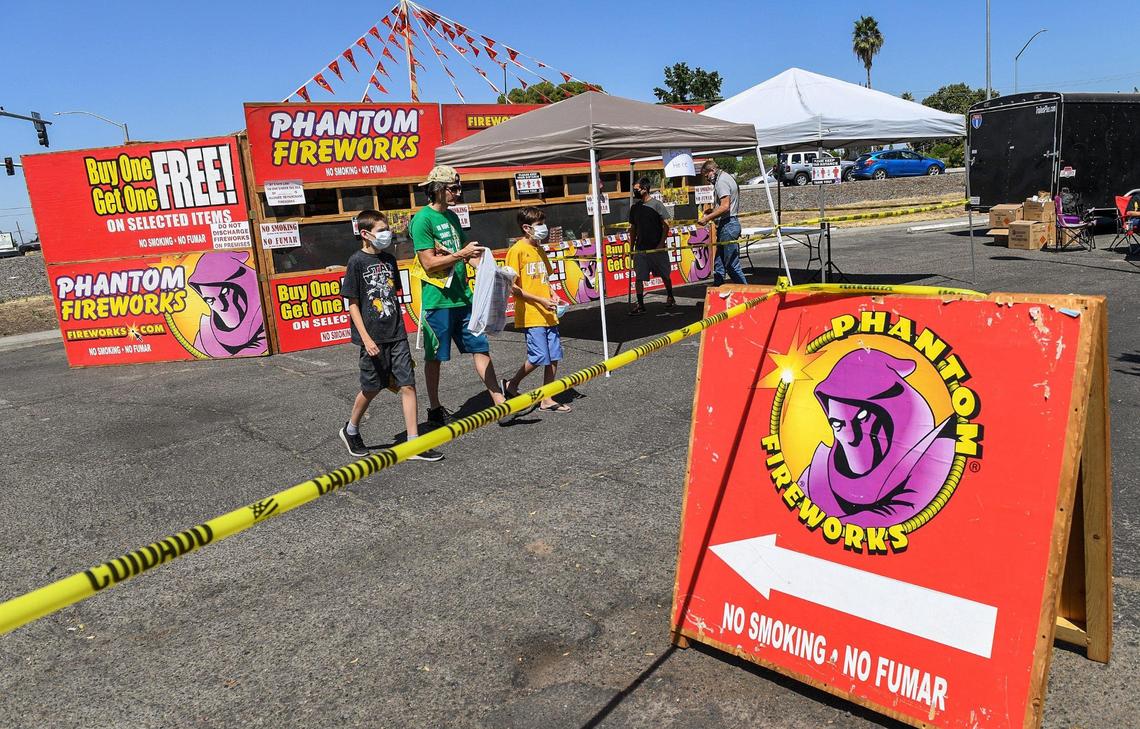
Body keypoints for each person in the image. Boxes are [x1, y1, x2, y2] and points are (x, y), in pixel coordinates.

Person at [340, 210, 443, 461]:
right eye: (381, 230)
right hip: (373, 338)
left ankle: (412, 443)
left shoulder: (389, 259)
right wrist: (366, 338)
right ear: (365, 234)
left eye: (387, 229)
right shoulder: (356, 262)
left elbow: (391, 293)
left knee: (408, 384)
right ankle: (350, 429)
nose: (387, 234)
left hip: (396, 334)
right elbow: (353, 303)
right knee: (372, 387)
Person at [409, 165, 507, 427]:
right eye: (454, 189)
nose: (458, 193)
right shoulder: (422, 220)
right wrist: (461, 255)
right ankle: (435, 407)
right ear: (438, 190)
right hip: (437, 300)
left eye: (458, 187)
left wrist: (494, 272)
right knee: (435, 358)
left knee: (480, 347)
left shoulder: (452, 217)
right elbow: (429, 263)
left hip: (463, 296)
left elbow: (468, 255)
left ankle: (499, 402)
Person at [502, 207, 571, 413]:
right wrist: (540, 300)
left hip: (548, 311)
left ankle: (547, 398)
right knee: (540, 356)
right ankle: (511, 384)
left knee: (554, 354)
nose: (544, 228)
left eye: (543, 223)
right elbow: (513, 287)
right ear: (526, 228)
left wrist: (553, 294)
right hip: (531, 313)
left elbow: (545, 278)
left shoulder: (539, 248)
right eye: (539, 224)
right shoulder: (516, 251)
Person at [627, 177, 676, 315]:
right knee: (639, 277)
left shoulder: (657, 205)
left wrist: (661, 243)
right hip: (641, 249)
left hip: (656, 248)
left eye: (636, 189)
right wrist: (631, 248)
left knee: (665, 274)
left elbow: (666, 225)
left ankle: (670, 296)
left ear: (645, 189)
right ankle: (641, 304)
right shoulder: (634, 208)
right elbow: (633, 229)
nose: (634, 192)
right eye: (634, 189)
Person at [697, 159, 747, 285]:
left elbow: (725, 206)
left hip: (728, 225)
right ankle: (717, 293)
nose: (707, 179)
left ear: (712, 171)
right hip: (727, 224)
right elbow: (724, 206)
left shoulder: (721, 182)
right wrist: (712, 211)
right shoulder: (726, 178)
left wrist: (707, 218)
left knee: (731, 265)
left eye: (707, 175)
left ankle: (747, 295)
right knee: (719, 264)